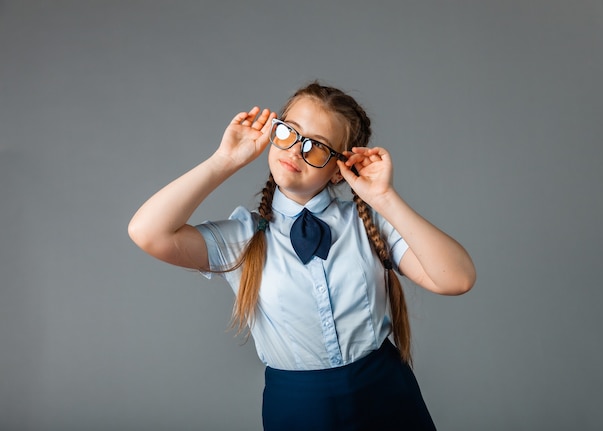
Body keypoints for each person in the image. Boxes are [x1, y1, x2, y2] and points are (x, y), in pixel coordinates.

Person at [128, 81, 476, 430]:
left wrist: (384, 198)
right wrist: (225, 161)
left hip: (386, 395)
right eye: (288, 133)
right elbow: (147, 232)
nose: (295, 151)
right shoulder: (242, 237)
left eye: (317, 147)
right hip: (297, 408)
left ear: (340, 166)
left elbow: (457, 279)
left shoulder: (369, 225)